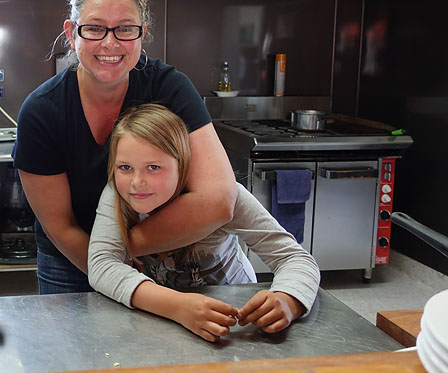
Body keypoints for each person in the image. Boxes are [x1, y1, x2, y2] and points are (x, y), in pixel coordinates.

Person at [13, 0, 237, 294]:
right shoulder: (42, 111)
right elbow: (60, 226)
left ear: (142, 33)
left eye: (125, 29)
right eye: (94, 29)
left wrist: (124, 254)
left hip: (162, 257)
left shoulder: (170, 88)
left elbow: (218, 200)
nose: (110, 42)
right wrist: (111, 269)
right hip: (71, 260)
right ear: (71, 33)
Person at [88, 104, 320, 342]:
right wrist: (178, 307)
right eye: (125, 167)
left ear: (183, 164)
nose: (137, 182)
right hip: (165, 321)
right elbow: (102, 264)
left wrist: (289, 299)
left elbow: (295, 259)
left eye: (154, 167)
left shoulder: (225, 197)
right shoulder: (117, 195)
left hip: (237, 324)